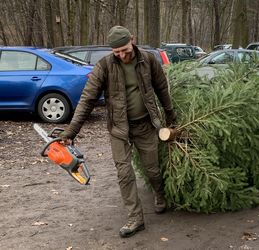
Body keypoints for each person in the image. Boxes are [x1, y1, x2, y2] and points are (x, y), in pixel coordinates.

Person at [60, 25, 176, 238]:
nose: (122, 55)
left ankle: (159, 195)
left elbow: (162, 90)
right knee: (124, 174)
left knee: (153, 170)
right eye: (117, 52)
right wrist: (71, 131)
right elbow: (87, 99)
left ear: (132, 39)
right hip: (119, 128)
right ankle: (135, 218)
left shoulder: (149, 60)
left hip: (146, 125)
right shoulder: (104, 66)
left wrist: (171, 119)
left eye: (125, 50)